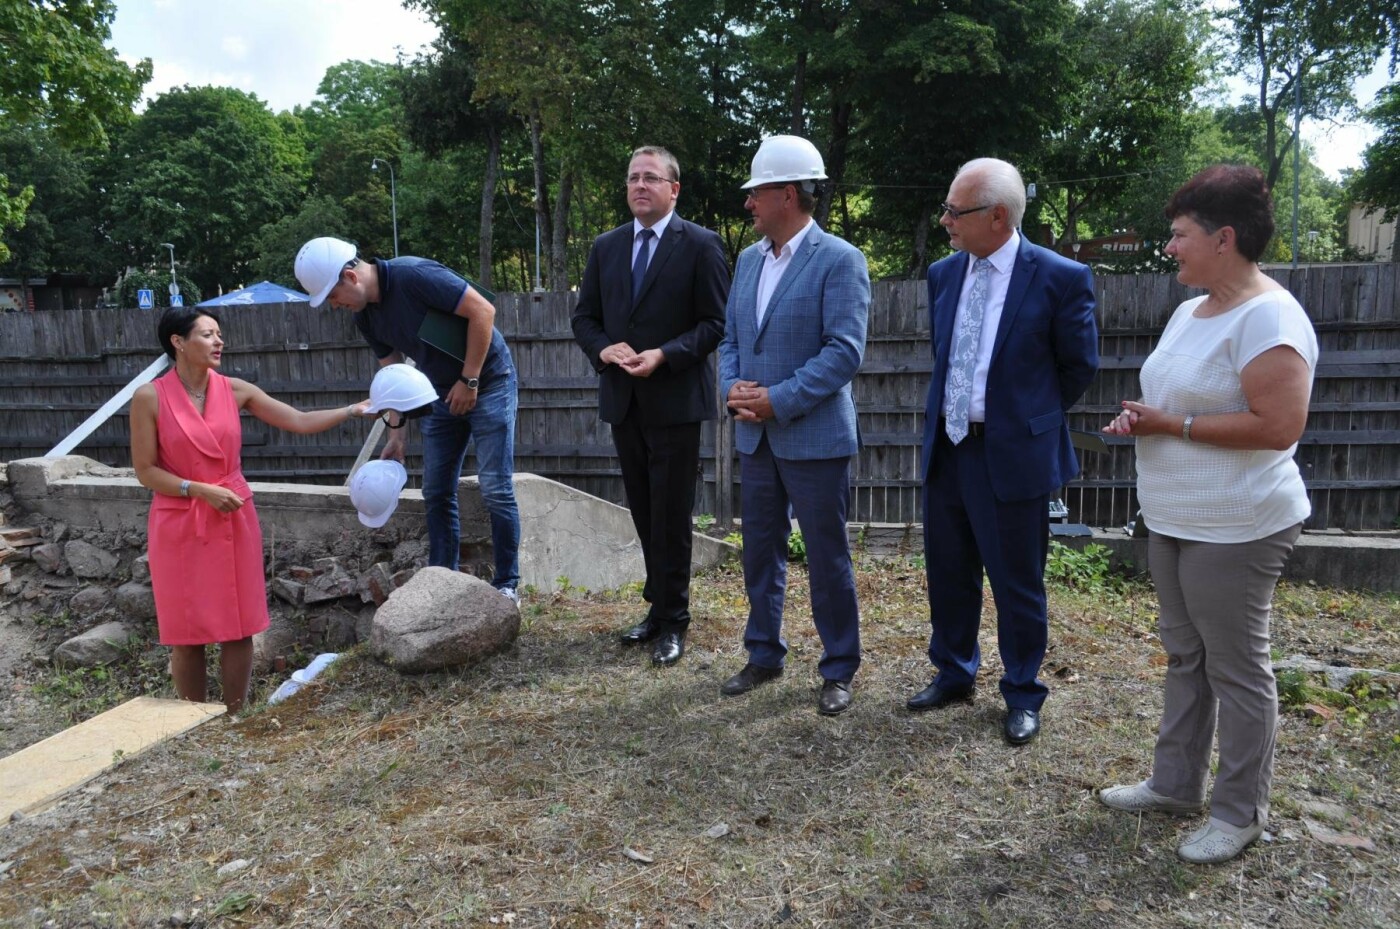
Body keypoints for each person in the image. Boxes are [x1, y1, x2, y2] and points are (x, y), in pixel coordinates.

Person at [1098, 164, 1317, 864]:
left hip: (1239, 522)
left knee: (1237, 667)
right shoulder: (1192, 309)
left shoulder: (1271, 316)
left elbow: (1279, 423)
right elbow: (1178, 400)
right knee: (1186, 655)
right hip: (1173, 516)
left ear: (1224, 238)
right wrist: (1146, 421)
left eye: (1179, 234)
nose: (1170, 247)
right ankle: (1174, 783)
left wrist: (1177, 425)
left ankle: (1238, 811)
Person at [910, 157, 1100, 746]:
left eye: (954, 210)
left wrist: (1025, 420)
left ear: (997, 216)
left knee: (1017, 580)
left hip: (1013, 453)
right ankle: (954, 671)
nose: (945, 220)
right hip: (950, 447)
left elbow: (1078, 367)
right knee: (948, 570)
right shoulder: (945, 273)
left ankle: (1022, 691)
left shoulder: (1061, 277)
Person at [130, 307, 370, 713]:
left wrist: (352, 411)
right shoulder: (149, 396)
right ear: (178, 342)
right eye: (208, 335)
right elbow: (145, 471)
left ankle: (234, 716)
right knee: (186, 632)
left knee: (237, 626)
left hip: (232, 514)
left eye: (219, 334)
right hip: (179, 520)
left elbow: (298, 419)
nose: (219, 341)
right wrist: (198, 489)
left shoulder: (235, 389)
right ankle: (195, 721)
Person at [716, 135, 869, 716]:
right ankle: (763, 653)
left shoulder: (841, 260)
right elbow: (732, 339)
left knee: (827, 557)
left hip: (813, 436)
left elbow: (843, 352)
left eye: (756, 193)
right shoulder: (749, 259)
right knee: (760, 551)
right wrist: (732, 387)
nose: (748, 203)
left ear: (787, 193)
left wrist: (777, 400)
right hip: (754, 435)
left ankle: (838, 667)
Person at [294, 237, 522, 602]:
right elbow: (395, 377)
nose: (335, 306)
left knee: (495, 486)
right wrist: (397, 436)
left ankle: (507, 585)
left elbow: (483, 311)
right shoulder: (365, 316)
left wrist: (470, 380)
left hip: (489, 381)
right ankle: (440, 582)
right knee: (436, 490)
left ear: (350, 277)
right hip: (438, 392)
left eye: (333, 298)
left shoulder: (414, 276)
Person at [571, 145, 730, 666]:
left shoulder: (701, 245)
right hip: (624, 400)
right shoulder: (606, 246)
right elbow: (584, 318)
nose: (639, 185)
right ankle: (656, 608)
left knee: (671, 512)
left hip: (677, 400)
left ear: (673, 189)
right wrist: (602, 349)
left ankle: (675, 620)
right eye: (632, 178)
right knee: (643, 509)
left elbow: (715, 324)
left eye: (651, 178)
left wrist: (665, 354)